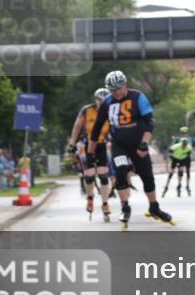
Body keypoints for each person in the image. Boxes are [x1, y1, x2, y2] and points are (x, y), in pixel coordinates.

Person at [90, 70, 174, 229]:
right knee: (121, 170)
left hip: (138, 144)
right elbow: (96, 129)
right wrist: (90, 153)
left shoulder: (138, 97)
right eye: (112, 90)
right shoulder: (107, 103)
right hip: (119, 144)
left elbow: (149, 121)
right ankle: (125, 207)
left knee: (147, 176)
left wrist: (144, 143)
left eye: (119, 88)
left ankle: (154, 207)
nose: (116, 92)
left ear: (125, 85)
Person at [68, 87, 113, 222]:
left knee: (103, 175)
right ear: (95, 100)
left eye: (104, 100)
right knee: (89, 175)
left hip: (103, 143)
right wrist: (72, 144)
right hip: (87, 143)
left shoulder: (112, 110)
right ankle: (90, 197)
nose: (101, 102)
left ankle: (105, 203)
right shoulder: (86, 110)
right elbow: (77, 126)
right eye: (99, 100)